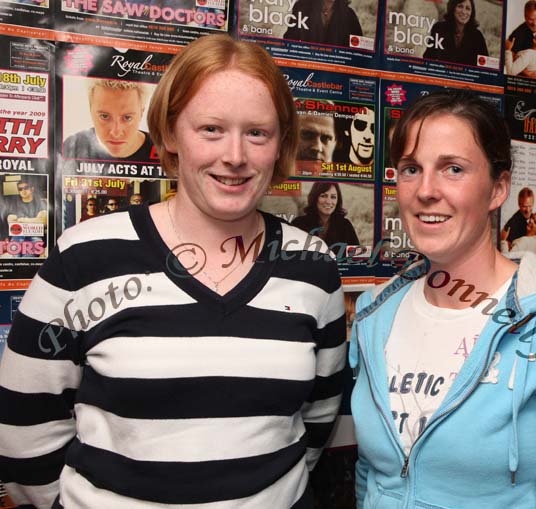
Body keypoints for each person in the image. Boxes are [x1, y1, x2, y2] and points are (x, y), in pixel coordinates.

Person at [0, 35, 346, 509]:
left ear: (281, 142)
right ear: (168, 133)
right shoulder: (85, 258)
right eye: (210, 129)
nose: (236, 156)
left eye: (257, 133)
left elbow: (318, 420)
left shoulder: (314, 268)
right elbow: (24, 430)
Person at [350, 89, 536, 508]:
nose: (426, 190)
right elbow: (372, 474)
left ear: (498, 189)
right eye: (411, 169)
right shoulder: (375, 316)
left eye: (452, 169)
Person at [63, 79, 156, 161]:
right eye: (104, 116)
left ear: (141, 113)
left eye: (127, 117)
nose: (115, 133)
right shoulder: (73, 146)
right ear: (90, 110)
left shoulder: (161, 150)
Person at [292, 182, 359, 257]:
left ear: (338, 200)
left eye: (333, 197)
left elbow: (357, 255)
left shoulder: (345, 225)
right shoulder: (299, 224)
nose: (328, 201)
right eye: (323, 196)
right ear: (315, 198)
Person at [422, 0, 488, 67]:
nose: (464, 12)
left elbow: (485, 66)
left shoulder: (477, 36)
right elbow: (428, 58)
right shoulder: (439, 28)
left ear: (471, 13)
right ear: (452, 8)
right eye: (460, 6)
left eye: (468, 8)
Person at [283, 0, 363, 46]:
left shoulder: (349, 15)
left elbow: (358, 49)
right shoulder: (301, 7)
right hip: (307, 67)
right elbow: (289, 41)